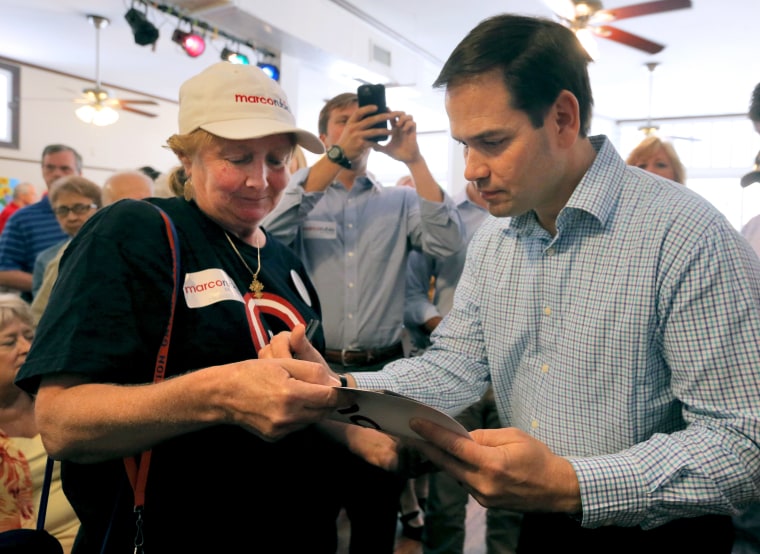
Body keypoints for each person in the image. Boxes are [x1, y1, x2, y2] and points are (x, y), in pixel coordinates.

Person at [263, 14, 760, 553]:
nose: (472, 170)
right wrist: (338, 388)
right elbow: (455, 363)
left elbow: (742, 445)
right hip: (541, 524)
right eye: (464, 145)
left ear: (563, 118)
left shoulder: (686, 235)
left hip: (661, 534)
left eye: (493, 141)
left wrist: (572, 484)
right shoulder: (497, 240)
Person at [13, 62, 358, 553]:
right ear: (185, 157)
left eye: (278, 160)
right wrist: (218, 394)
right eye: (237, 158)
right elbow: (62, 424)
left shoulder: (286, 262)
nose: (261, 181)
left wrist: (367, 431)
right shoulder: (135, 232)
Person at [261, 90, 463, 552]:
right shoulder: (303, 196)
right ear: (325, 135)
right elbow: (271, 234)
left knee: (376, 517)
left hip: (381, 377)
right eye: (344, 122)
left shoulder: (399, 202)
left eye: (365, 122)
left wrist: (414, 160)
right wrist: (335, 159)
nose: (357, 130)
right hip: (314, 375)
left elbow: (448, 243)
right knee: (309, 519)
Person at [404, 179, 522, 554]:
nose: (480, 166)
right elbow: (412, 294)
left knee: (513, 504)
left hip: (516, 377)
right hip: (457, 375)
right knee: (445, 500)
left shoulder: (532, 216)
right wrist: (451, 330)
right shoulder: (443, 218)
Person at [0, 293, 79, 553]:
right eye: (9, 342)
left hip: (98, 536)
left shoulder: (59, 397)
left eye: (29, 337)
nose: (25, 347)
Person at [0, 145, 79, 301]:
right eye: (50, 168)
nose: (56, 174)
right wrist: (51, 283)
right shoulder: (21, 219)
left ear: (79, 173)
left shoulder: (96, 216)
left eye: (65, 168)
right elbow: (4, 272)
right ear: (42, 171)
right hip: (42, 312)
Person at [30, 177, 103, 324]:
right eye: (62, 210)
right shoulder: (46, 259)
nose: (71, 217)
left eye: (80, 208)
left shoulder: (110, 250)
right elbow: (41, 314)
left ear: (100, 208)